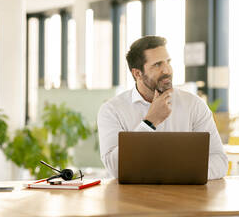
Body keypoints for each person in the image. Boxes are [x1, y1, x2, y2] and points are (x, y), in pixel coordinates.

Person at [97, 35, 228, 180]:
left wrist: (173, 172)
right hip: (132, 199)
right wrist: (149, 122)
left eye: (168, 62)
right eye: (157, 64)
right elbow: (115, 167)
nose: (167, 70)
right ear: (137, 73)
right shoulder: (111, 110)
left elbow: (220, 162)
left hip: (184, 199)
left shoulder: (194, 105)